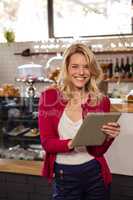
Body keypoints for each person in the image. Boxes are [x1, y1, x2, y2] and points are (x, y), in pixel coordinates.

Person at [38, 43, 120, 200]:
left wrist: (109, 137)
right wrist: (73, 142)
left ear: (92, 70)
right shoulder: (49, 97)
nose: (81, 72)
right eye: (75, 66)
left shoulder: (101, 101)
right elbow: (47, 143)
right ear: (67, 69)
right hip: (64, 174)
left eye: (86, 67)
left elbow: (98, 151)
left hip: (95, 172)